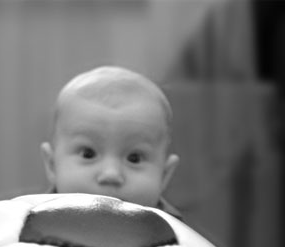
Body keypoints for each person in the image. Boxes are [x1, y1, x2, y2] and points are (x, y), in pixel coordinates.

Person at [40, 65, 182, 217]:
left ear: (164, 175)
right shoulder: (23, 227)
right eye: (88, 154)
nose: (111, 174)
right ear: (52, 165)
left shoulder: (179, 235)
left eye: (134, 158)